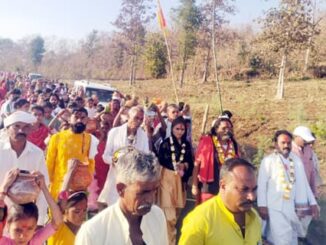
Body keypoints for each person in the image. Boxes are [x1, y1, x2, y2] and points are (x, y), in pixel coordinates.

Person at [75, 148, 168, 245]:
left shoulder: (157, 216)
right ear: (121, 189)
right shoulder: (93, 232)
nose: (150, 199)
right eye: (143, 192)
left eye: (155, 191)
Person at [257, 130, 319, 245]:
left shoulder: (296, 161)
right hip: (275, 207)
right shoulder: (268, 161)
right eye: (283, 143)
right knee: (282, 240)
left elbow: (304, 184)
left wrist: (313, 202)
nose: (286, 145)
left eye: (289, 143)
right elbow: (261, 185)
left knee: (292, 239)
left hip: (292, 208)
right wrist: (262, 205)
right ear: (275, 144)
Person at [179, 158, 261, 245]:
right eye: (244, 189)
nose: (252, 197)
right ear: (223, 185)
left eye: (254, 189)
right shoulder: (199, 220)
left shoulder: (254, 217)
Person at [0, 111, 49, 225]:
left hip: (24, 218)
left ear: (30, 130)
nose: (21, 131)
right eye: (16, 126)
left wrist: (39, 221)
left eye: (26, 127)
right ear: (7, 129)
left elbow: (43, 188)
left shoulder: (37, 154)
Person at [98, 105, 149, 206]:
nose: (138, 121)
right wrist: (116, 161)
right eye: (136, 118)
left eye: (141, 119)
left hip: (133, 179)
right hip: (115, 177)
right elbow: (105, 156)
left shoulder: (143, 136)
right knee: (112, 207)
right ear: (128, 116)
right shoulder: (114, 132)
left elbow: (145, 158)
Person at [46, 107, 98, 200]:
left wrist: (87, 180)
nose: (79, 120)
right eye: (76, 117)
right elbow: (49, 162)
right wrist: (47, 182)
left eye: (83, 118)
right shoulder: (57, 137)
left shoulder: (89, 138)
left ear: (87, 120)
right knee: (57, 211)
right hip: (59, 184)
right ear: (70, 119)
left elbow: (91, 161)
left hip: (79, 186)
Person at [0, 169, 63, 245]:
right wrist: (4, 188)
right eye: (18, 230)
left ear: (35, 227)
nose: (22, 236)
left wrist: (44, 188)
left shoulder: (34, 241)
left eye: (30, 229)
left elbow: (57, 221)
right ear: (8, 225)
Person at [157, 116, 194, 245]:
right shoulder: (165, 143)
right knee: (169, 215)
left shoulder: (187, 144)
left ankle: (169, 238)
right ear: (172, 129)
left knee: (177, 213)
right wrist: (175, 166)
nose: (180, 132)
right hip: (166, 179)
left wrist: (184, 165)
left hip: (180, 181)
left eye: (182, 129)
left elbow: (190, 161)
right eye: (177, 129)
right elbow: (162, 159)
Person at [191, 117, 239, 203]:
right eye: (223, 128)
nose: (227, 131)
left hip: (227, 187)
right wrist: (194, 185)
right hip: (209, 187)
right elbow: (197, 164)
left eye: (229, 128)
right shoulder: (207, 141)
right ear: (216, 129)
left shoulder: (233, 144)